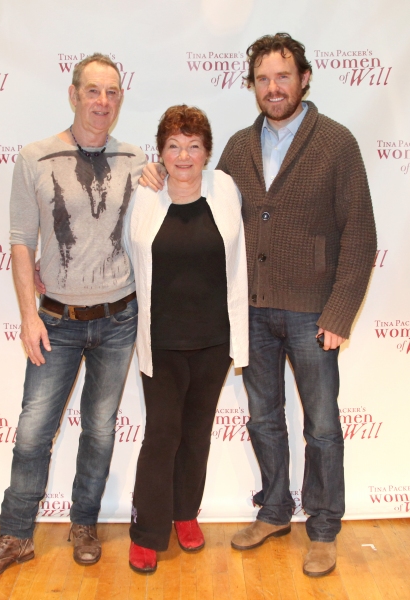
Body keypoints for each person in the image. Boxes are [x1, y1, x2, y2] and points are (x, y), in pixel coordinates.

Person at [141, 33, 377, 577]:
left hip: (314, 314)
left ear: (304, 79)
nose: (274, 88)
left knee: (320, 424)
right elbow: (195, 199)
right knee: (265, 419)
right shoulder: (238, 150)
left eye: (283, 76)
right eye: (264, 79)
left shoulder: (337, 143)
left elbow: (360, 235)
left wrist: (339, 314)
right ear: (252, 86)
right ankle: (274, 510)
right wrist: (149, 175)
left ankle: (322, 528)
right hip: (250, 313)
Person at [0, 53, 146, 583]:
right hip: (56, 321)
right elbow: (21, 241)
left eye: (112, 92)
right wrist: (28, 315)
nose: (103, 102)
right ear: (73, 95)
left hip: (118, 320)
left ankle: (84, 524)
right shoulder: (34, 157)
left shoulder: (138, 160)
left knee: (99, 430)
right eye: (93, 91)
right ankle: (16, 535)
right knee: (32, 433)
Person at [123, 105, 248, 574]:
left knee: (196, 434)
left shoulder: (225, 189)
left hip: (215, 342)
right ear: (161, 152)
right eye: (174, 146)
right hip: (162, 345)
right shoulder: (146, 194)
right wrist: (144, 176)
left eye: (193, 146)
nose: (184, 155)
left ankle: (184, 513)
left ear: (207, 152)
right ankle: (147, 531)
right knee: (161, 436)